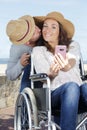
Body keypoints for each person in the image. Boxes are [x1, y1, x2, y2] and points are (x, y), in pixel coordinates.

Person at [32, 11, 87, 130]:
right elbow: (43, 76)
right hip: (53, 95)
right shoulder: (38, 50)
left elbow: (73, 59)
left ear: (60, 31)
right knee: (71, 87)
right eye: (45, 26)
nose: (47, 30)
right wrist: (51, 74)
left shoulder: (73, 45)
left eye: (53, 26)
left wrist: (67, 66)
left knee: (84, 87)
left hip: (79, 95)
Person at [6, 15, 41, 92]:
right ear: (27, 42)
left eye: (35, 26)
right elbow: (10, 75)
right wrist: (20, 64)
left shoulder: (42, 29)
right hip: (33, 78)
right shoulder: (17, 48)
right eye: (33, 33)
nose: (39, 30)